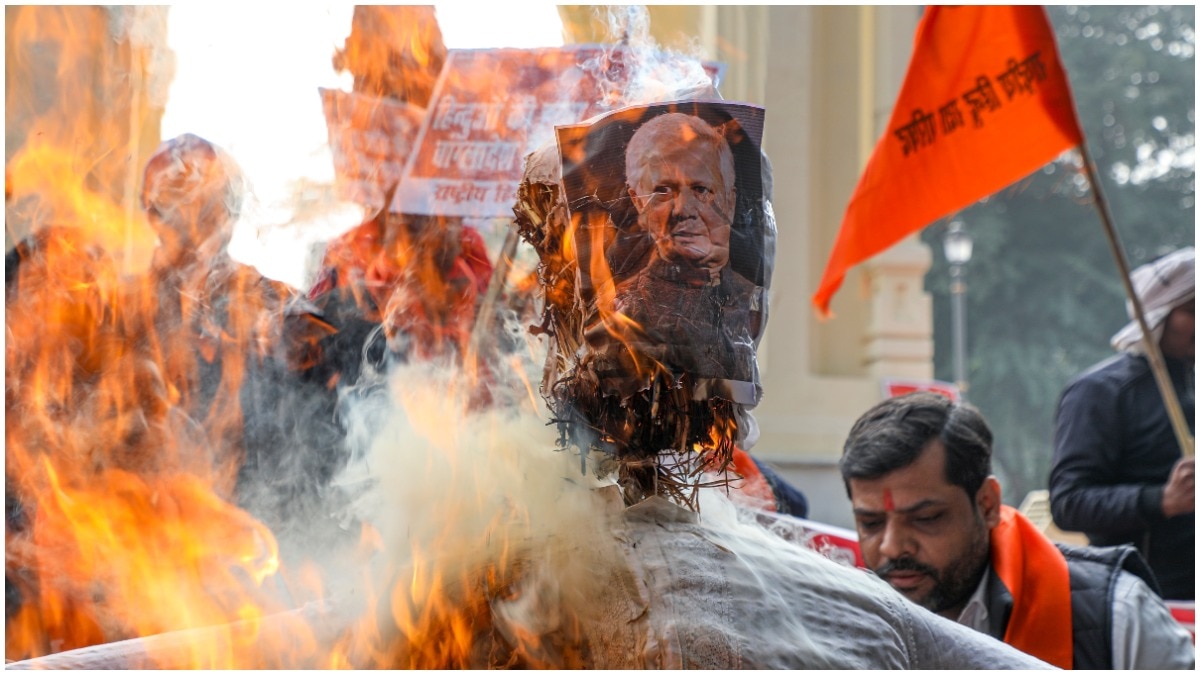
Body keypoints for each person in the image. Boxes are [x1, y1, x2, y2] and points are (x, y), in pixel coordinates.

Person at [839, 391, 1194, 669]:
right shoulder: (839, 622)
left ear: (987, 505)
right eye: (870, 523)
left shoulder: (1118, 616)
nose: (892, 547)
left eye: (926, 518)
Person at [1050, 247, 1195, 601]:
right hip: (1142, 601)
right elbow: (1069, 502)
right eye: (1192, 309)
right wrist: (1161, 500)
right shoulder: (1099, 392)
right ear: (1158, 316)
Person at [602, 112, 762, 384]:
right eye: (663, 190)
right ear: (638, 202)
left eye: (701, 189)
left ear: (729, 201)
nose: (683, 210)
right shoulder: (617, 309)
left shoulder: (753, 300)